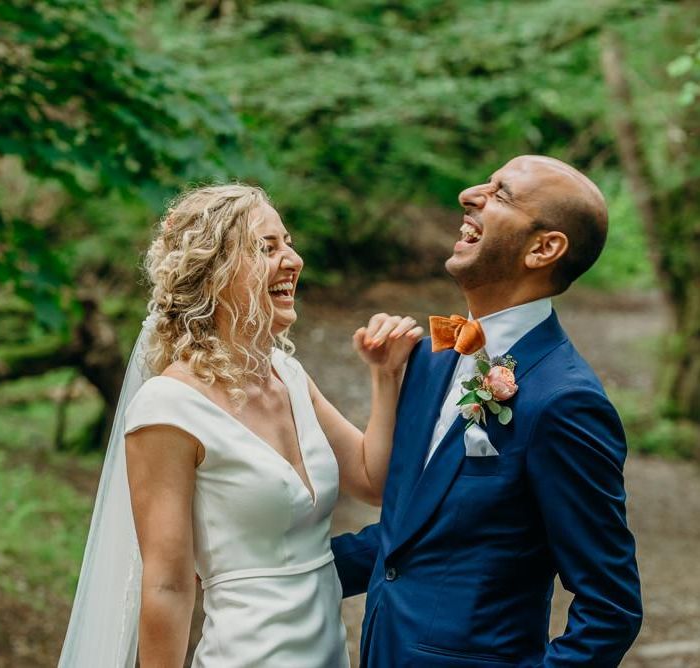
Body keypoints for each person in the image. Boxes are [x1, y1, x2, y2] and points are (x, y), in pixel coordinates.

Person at [58, 184, 423, 667]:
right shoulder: (168, 406)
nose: (292, 259)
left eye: (288, 243)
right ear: (213, 272)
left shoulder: (287, 375)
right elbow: (166, 586)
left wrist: (384, 376)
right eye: (266, 248)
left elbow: (371, 479)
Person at [333, 155, 643, 667]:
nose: (469, 194)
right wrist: (263, 571)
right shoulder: (434, 356)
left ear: (544, 249)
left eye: (500, 194)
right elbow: (409, 534)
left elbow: (611, 607)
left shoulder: (565, 401)